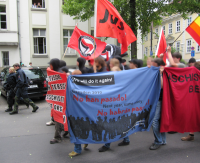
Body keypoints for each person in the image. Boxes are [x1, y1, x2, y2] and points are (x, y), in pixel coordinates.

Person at [98, 60, 130, 152]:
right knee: (119, 121)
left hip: (114, 102)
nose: (109, 64)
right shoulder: (121, 73)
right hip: (118, 102)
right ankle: (126, 139)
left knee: (110, 123)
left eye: (111, 63)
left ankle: (107, 145)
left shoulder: (115, 72)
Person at [69, 70, 88, 157]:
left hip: (75, 112)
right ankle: (86, 141)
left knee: (76, 129)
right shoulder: (85, 84)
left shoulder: (73, 85)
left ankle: (77, 149)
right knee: (83, 127)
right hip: (84, 111)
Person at [149, 58, 166, 150]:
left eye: (153, 64)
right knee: (159, 121)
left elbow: (162, 86)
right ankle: (162, 140)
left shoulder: (162, 72)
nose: (151, 66)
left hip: (159, 100)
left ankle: (158, 141)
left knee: (155, 121)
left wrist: (160, 73)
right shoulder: (155, 71)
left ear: (158, 65)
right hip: (158, 99)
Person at [181, 61, 200, 141]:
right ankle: (191, 135)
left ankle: (191, 135)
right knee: (194, 116)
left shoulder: (193, 76)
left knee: (194, 116)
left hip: (195, 100)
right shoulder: (193, 76)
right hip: (195, 99)